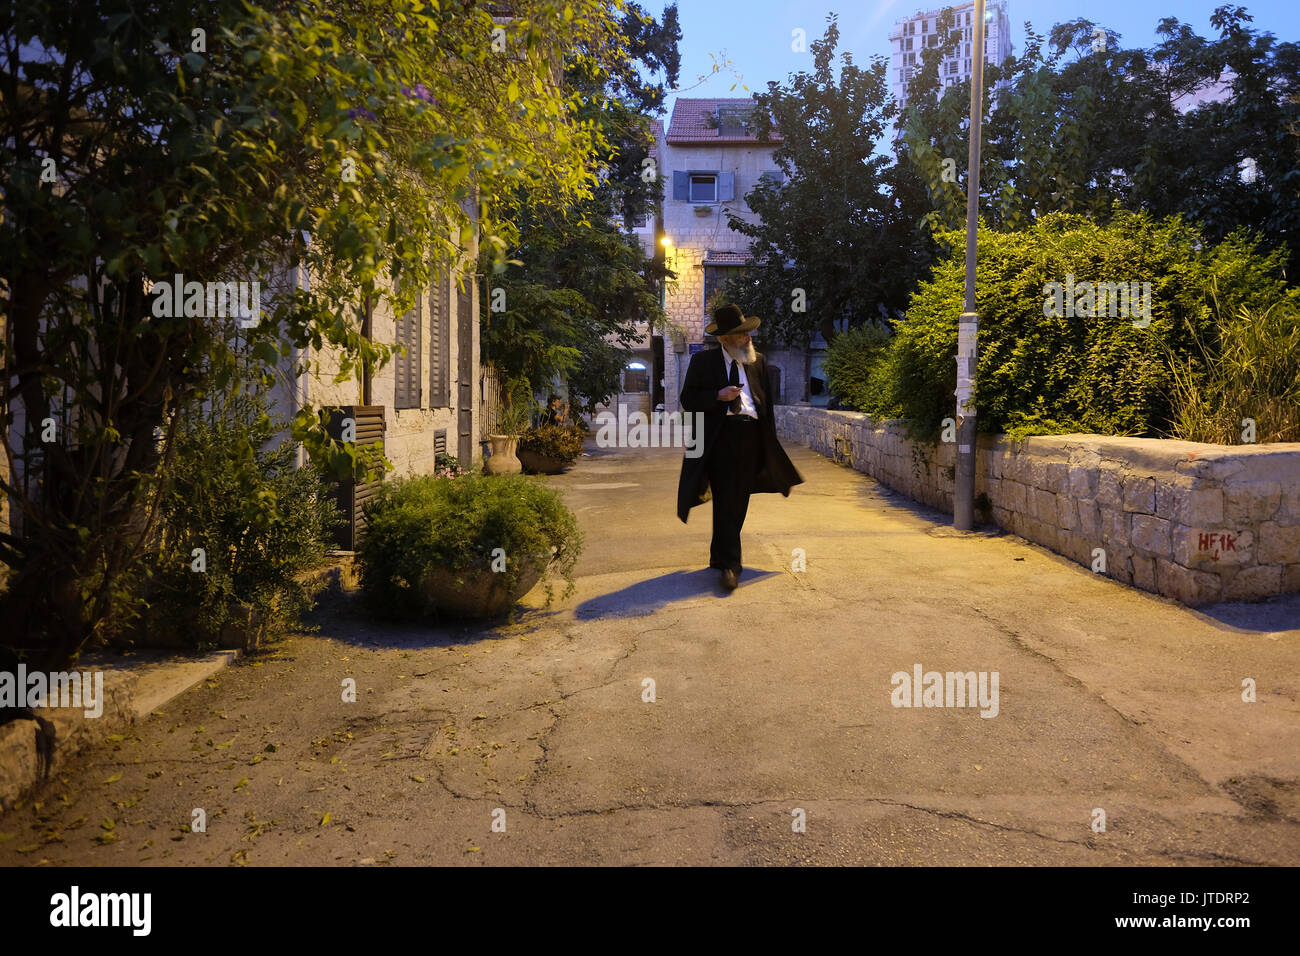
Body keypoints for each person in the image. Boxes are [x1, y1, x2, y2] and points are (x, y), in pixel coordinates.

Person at [676, 303, 804, 591]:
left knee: (739, 499)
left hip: (752, 437)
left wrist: (769, 443)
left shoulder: (757, 361)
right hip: (721, 438)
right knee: (726, 499)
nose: (748, 338)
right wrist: (717, 396)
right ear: (725, 339)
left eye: (747, 332)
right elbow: (688, 400)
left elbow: (766, 404)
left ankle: (718, 556)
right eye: (740, 334)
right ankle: (731, 565)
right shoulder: (703, 363)